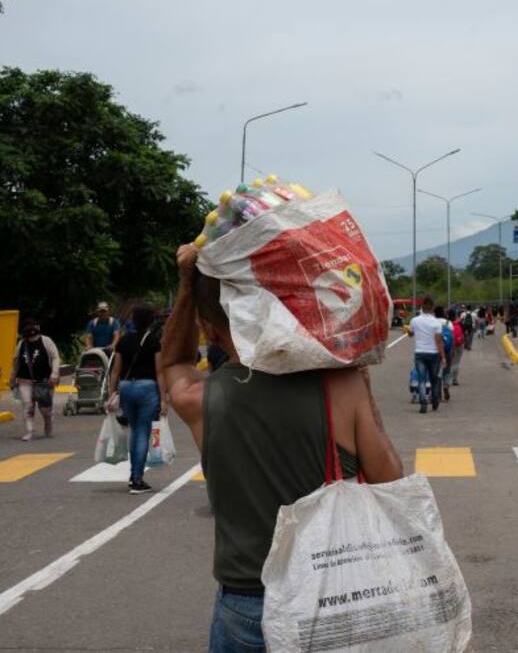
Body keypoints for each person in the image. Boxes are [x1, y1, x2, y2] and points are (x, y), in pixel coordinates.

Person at [159, 243, 404, 649]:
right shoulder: (342, 387)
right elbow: (391, 483)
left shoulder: (200, 399)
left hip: (245, 605)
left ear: (212, 330)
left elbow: (172, 362)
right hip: (331, 601)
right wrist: (364, 391)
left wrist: (187, 286)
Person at [107, 303, 168, 494]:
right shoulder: (153, 341)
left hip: (126, 388)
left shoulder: (123, 340)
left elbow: (115, 371)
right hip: (147, 388)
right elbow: (159, 372)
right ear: (151, 321)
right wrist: (164, 398)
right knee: (142, 432)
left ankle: (134, 475)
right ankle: (137, 479)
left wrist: (111, 393)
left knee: (135, 431)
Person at [8, 317, 60, 442]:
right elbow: (16, 363)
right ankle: (29, 431)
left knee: (45, 410)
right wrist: (12, 379)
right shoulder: (21, 344)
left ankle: (48, 422)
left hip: (44, 380)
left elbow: (55, 357)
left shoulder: (46, 341)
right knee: (27, 405)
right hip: (25, 380)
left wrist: (54, 373)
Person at [409, 297, 446, 414]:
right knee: (434, 379)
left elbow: (411, 333)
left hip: (420, 353)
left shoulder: (414, 320)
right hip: (434, 354)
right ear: (432, 308)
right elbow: (439, 341)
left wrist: (409, 332)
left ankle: (423, 402)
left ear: (422, 307)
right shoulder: (436, 322)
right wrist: (443, 356)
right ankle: (435, 401)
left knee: (421, 379)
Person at [448, 310, 466, 387]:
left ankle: (448, 379)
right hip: (460, 344)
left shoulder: (447, 323)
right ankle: (455, 379)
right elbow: (464, 332)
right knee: (457, 362)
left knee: (451, 362)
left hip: (451, 344)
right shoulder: (459, 322)